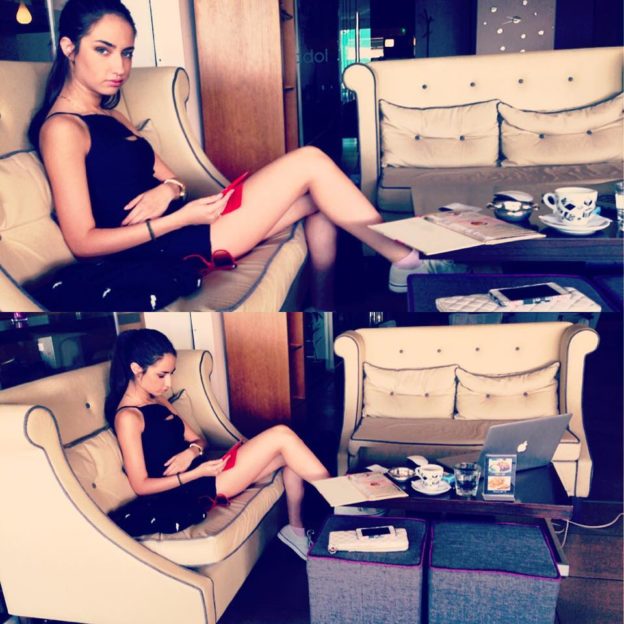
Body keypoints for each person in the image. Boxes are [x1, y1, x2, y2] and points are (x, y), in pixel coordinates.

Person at [29, 0, 442, 308]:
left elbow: (171, 179)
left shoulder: (112, 115)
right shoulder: (63, 129)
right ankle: (407, 260)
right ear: (69, 47)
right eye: (103, 50)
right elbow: (83, 242)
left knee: (320, 197)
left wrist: (167, 192)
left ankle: (324, 306)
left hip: (192, 217)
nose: (119, 67)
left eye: (127, 52)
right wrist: (177, 219)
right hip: (171, 242)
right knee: (311, 160)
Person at [104, 328, 330, 560]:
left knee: (290, 455)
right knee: (282, 435)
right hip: (192, 488)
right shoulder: (128, 417)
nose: (169, 383)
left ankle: (296, 531)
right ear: (136, 369)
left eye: (171, 374)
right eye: (162, 375)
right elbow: (141, 485)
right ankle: (339, 500)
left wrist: (191, 453)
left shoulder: (159, 401)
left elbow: (198, 440)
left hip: (208, 470)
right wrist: (195, 473)